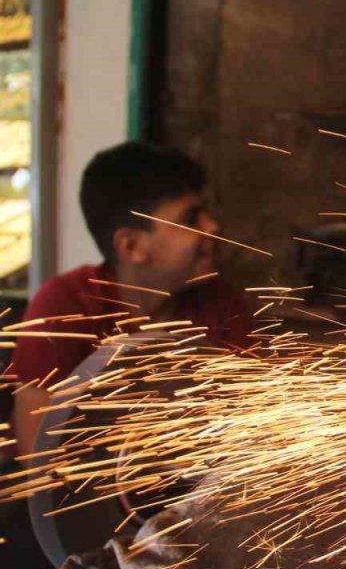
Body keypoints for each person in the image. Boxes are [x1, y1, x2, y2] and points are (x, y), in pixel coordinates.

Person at [7, 142, 251, 459]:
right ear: (132, 245)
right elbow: (38, 457)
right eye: (191, 219)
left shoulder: (221, 304)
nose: (213, 227)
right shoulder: (63, 306)